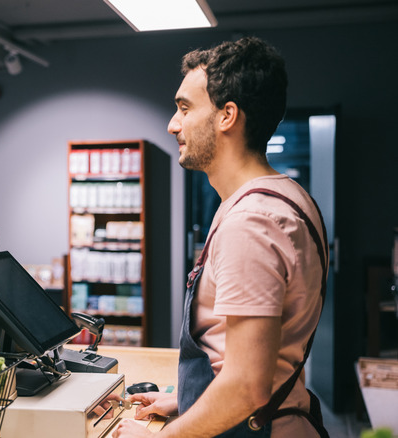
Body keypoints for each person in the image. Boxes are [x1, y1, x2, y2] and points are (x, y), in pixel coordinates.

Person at [113, 37, 329, 437]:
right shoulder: (284, 197)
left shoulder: (253, 221)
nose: (172, 124)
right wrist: (188, 399)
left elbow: (247, 387)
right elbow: (242, 353)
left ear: (227, 115)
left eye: (184, 108)